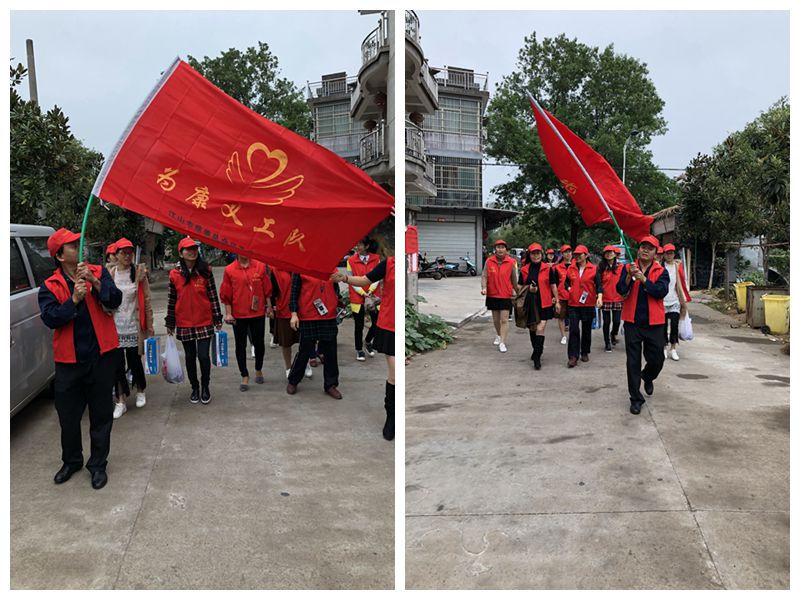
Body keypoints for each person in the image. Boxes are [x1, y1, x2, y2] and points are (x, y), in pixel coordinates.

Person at [38, 228, 122, 489]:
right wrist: (74, 299)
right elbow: (51, 318)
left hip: (101, 357)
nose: (79, 246)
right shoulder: (50, 286)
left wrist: (95, 282)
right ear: (60, 256)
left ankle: (97, 465)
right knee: (68, 417)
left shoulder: (98, 271)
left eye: (78, 243)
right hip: (69, 363)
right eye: (73, 245)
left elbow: (115, 300)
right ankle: (72, 461)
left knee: (101, 415)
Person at [333, 255, 396, 440]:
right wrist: (344, 278)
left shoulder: (411, 262)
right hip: (390, 325)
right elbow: (365, 279)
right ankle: (391, 417)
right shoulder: (389, 263)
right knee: (395, 375)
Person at [165, 237, 223, 404]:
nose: (192, 252)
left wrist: (217, 317)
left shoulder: (205, 271)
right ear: (181, 253)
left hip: (204, 320)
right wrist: (170, 322)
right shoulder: (174, 274)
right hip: (184, 322)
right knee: (190, 357)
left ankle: (205, 386)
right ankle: (195, 387)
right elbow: (171, 300)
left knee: (203, 356)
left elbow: (213, 296)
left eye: (194, 249)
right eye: (188, 249)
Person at [616, 235, 670, 415]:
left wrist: (644, 280)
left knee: (657, 359)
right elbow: (620, 290)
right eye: (643, 246)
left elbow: (661, 291)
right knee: (632, 361)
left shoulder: (661, 271)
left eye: (650, 248)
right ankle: (635, 399)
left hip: (654, 323)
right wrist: (629, 277)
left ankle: (647, 376)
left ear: (655, 253)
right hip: (632, 322)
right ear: (638, 249)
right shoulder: (628, 268)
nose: (645, 250)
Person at [107, 238, 154, 418]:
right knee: (116, 365)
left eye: (129, 252)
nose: (127, 256)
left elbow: (147, 300)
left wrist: (149, 325)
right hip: (115, 327)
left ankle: (140, 390)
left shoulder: (139, 273)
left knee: (135, 361)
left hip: (134, 326)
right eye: (123, 253)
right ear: (116, 255)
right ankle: (120, 400)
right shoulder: (110, 273)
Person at [220, 255, 273, 392]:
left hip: (258, 313)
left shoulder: (260, 266)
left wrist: (269, 307)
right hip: (239, 314)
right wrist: (228, 313)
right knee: (240, 345)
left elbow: (266, 288)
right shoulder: (229, 269)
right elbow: (227, 293)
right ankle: (244, 374)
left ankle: (258, 368)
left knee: (259, 343)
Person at [286, 271, 343, 399]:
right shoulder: (300, 269)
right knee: (305, 350)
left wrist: (335, 300)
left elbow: (336, 289)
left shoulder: (331, 268)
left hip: (328, 315)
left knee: (331, 351)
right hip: (308, 315)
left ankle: (331, 385)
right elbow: (294, 293)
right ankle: (293, 380)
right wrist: (294, 314)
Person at [518, 243, 560, 370]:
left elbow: (553, 285)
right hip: (530, 303)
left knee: (540, 328)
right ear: (529, 255)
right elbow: (519, 287)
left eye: (538, 253)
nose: (536, 256)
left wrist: (557, 301)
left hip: (544, 303)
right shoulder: (524, 270)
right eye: (533, 253)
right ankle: (536, 350)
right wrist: (529, 289)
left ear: (541, 255)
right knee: (533, 329)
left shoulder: (548, 269)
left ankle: (537, 356)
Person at [564, 245, 603, 367]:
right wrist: (570, 289)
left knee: (586, 329)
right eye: (575, 255)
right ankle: (573, 356)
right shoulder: (571, 268)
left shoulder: (594, 269)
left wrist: (599, 297)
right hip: (573, 304)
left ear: (586, 255)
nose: (577, 257)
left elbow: (599, 285)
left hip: (588, 303)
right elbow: (566, 282)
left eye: (580, 255)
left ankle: (585, 351)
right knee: (574, 329)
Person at [270, 267, 312, 380]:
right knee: (286, 342)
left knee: (306, 340)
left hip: (304, 309)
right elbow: (272, 292)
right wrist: (270, 306)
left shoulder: (302, 267)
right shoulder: (276, 270)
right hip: (284, 310)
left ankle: (305, 363)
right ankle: (288, 367)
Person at [480, 239, 519, 353]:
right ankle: (498, 334)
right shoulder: (489, 261)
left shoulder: (511, 262)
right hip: (492, 294)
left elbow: (514, 279)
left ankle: (502, 342)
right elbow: (484, 276)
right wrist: (484, 287)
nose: (500, 249)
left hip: (506, 294)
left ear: (506, 250)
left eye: (502, 247)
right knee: (496, 320)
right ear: (495, 249)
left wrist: (518, 292)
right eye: (498, 247)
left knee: (504, 320)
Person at [347, 237, 381, 361]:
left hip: (373, 296)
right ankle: (359, 350)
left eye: (360, 244)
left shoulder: (376, 259)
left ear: (367, 246)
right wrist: (362, 292)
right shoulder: (350, 260)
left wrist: (370, 291)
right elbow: (350, 279)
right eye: (356, 244)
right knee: (359, 325)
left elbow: (378, 276)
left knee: (377, 323)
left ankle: (367, 342)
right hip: (357, 296)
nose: (357, 247)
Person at [661, 243, 691, 361]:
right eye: (667, 253)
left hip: (674, 301)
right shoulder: (660, 266)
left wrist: (683, 300)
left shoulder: (677, 266)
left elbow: (681, 283)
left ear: (674, 254)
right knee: (663, 327)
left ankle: (673, 348)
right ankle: (664, 347)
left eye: (671, 253)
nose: (669, 256)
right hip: (662, 301)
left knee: (674, 326)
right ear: (664, 255)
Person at [598, 245, 624, 353]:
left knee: (617, 321)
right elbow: (598, 283)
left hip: (618, 298)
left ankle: (613, 334)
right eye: (606, 252)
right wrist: (598, 296)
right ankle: (607, 343)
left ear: (615, 254)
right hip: (605, 298)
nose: (609, 254)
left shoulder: (621, 267)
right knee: (606, 322)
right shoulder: (601, 268)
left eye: (611, 252)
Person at [553, 244, 573, 345]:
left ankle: (573, 335)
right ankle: (563, 336)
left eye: (569, 251)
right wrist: (554, 297)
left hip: (574, 296)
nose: (568, 254)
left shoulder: (576, 266)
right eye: (565, 252)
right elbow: (554, 284)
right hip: (561, 295)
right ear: (562, 254)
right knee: (561, 317)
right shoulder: (557, 268)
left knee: (574, 317)